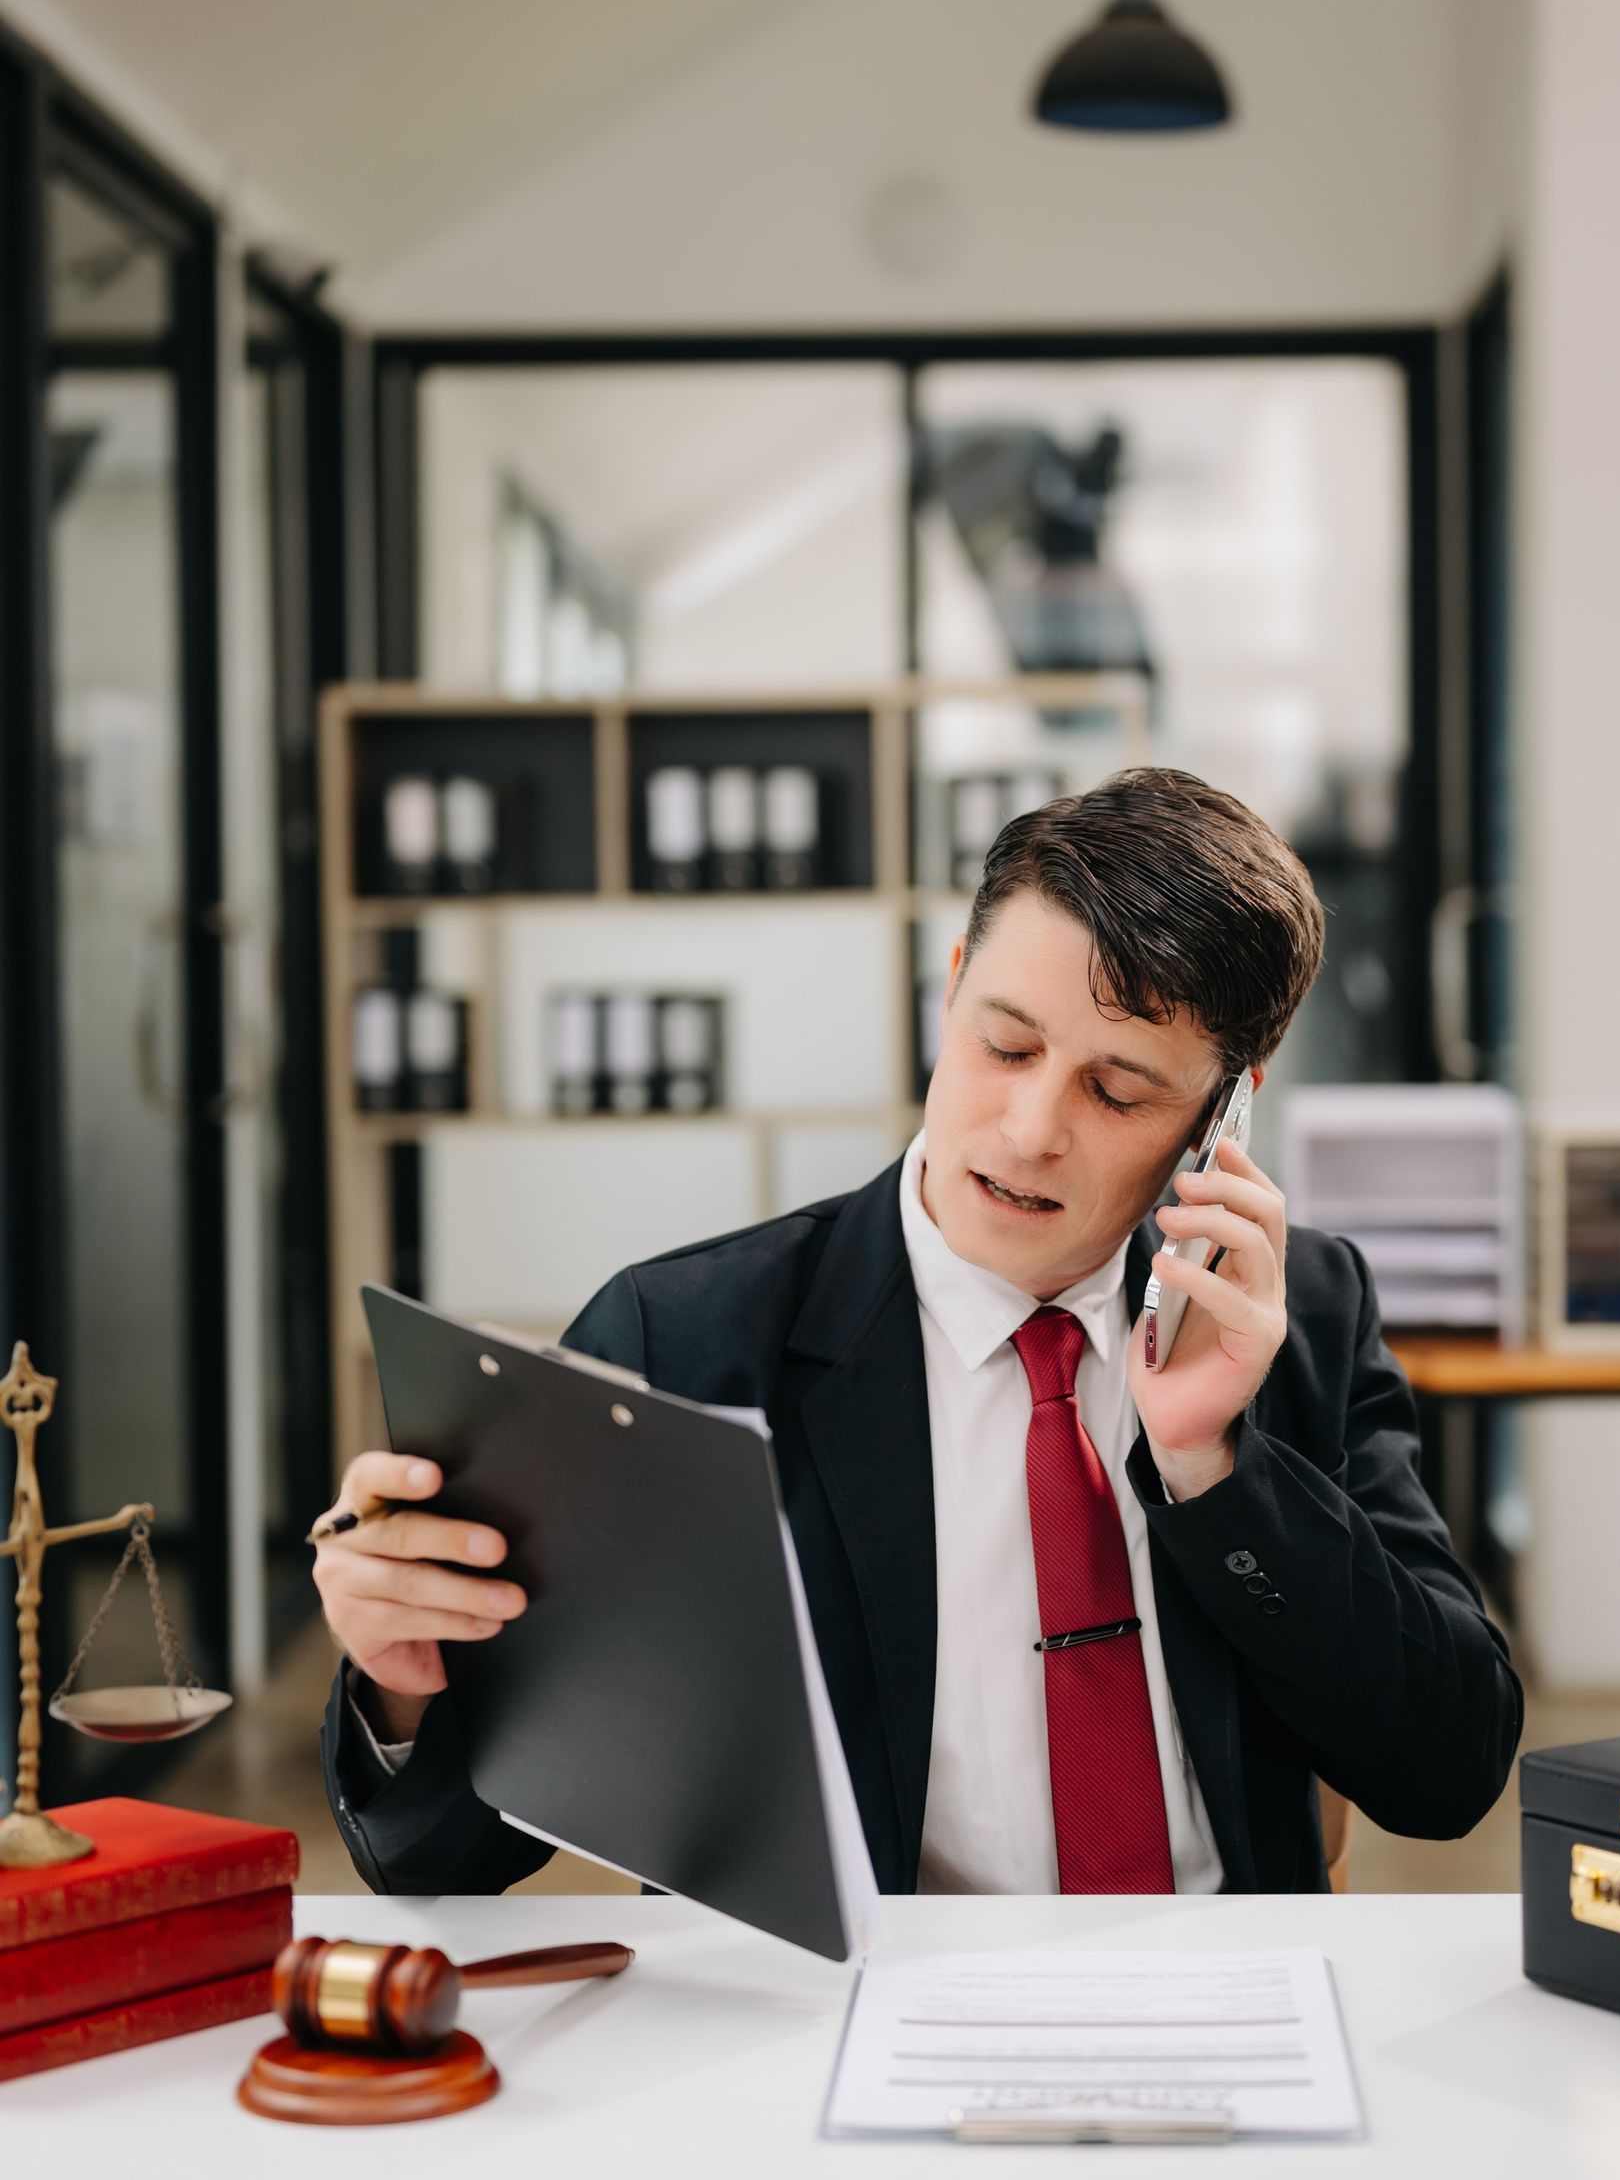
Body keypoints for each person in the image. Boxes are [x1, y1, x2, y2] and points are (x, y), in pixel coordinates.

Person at [315, 766, 1521, 1898]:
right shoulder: (683, 1339)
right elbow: (446, 1860)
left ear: (1222, 1111)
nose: (1030, 1126)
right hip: (839, 2022)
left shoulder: (1298, 1317)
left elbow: (1448, 1771)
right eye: (1005, 1043)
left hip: (1222, 1994)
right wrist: (405, 1684)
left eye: (1119, 1090)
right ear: (951, 989)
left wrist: (1218, 1468)